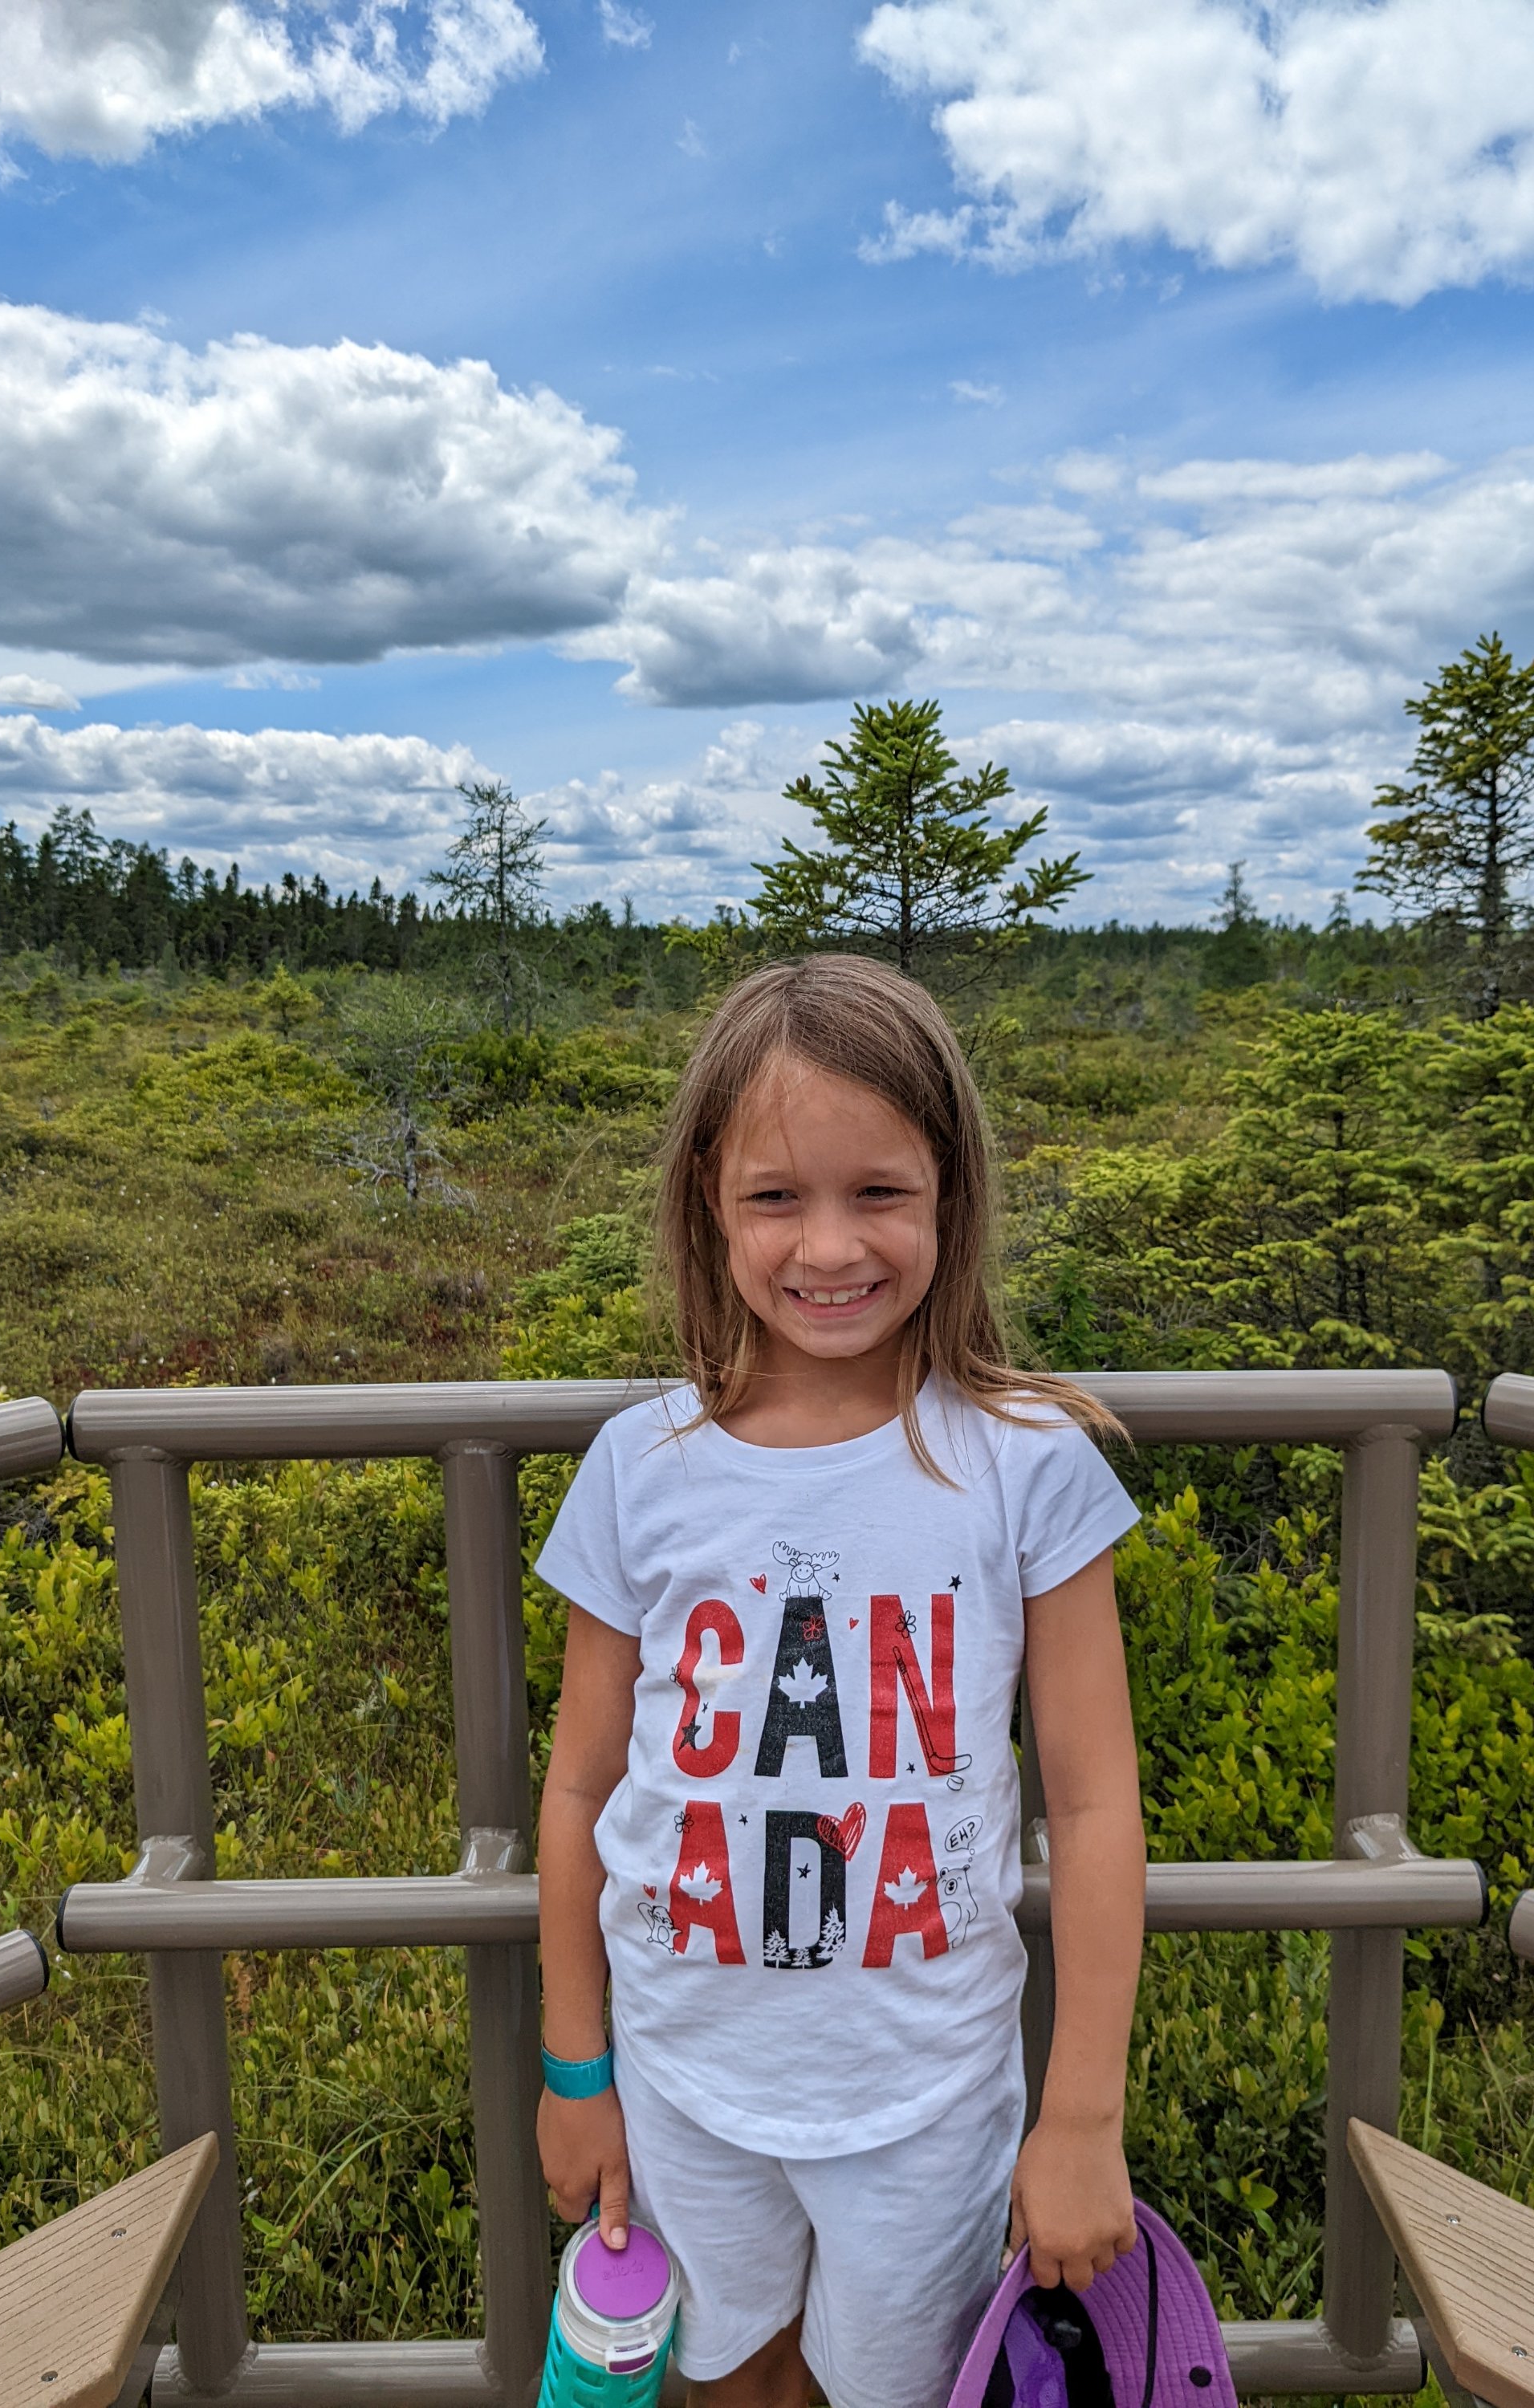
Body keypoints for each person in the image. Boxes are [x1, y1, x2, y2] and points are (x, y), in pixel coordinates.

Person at [534, 954, 1146, 2408]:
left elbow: (1094, 1806)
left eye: (878, 1191)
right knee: (724, 2378)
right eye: (774, 1196)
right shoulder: (640, 1467)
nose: (827, 1246)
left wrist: (1080, 2120)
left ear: (950, 1194)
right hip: (681, 2078)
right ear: (707, 1197)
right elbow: (577, 1789)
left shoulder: (1028, 1467)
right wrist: (576, 2074)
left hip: (928, 2096)